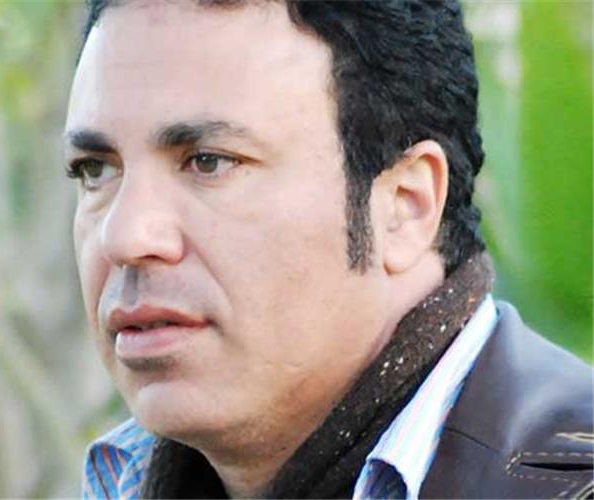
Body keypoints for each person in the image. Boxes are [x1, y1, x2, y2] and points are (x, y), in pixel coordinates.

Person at [64, 1, 593, 498]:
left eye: (209, 162)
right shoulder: (121, 482)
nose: (125, 237)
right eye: (95, 170)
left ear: (405, 205)